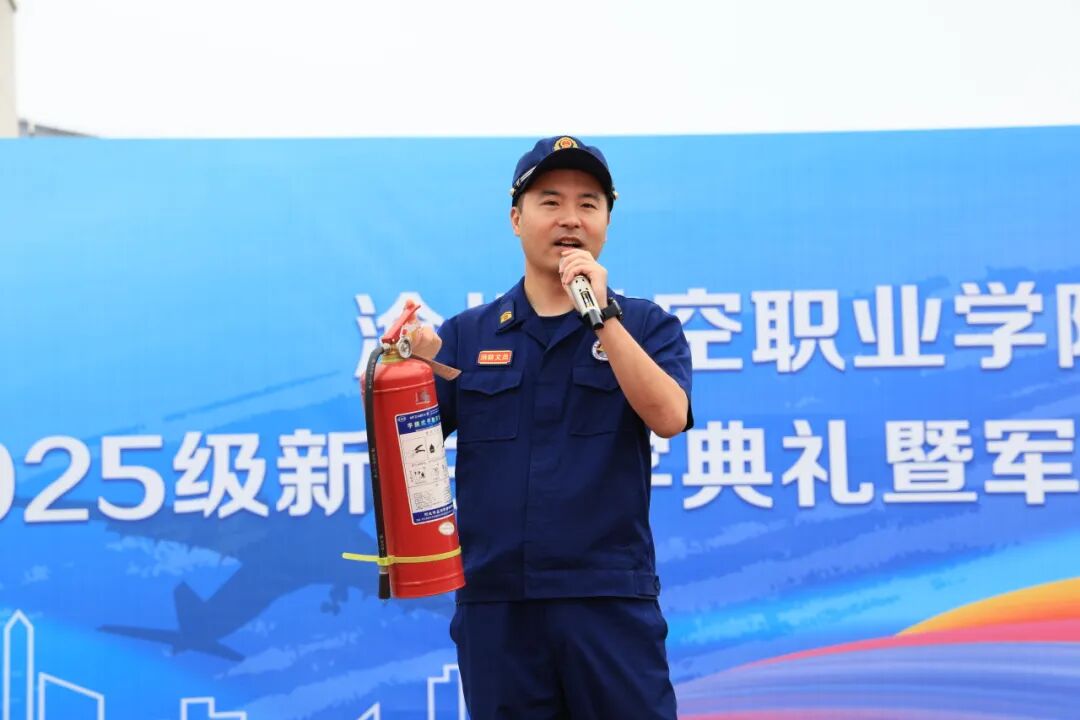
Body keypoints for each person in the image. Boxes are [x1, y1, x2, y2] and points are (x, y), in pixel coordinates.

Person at [413, 135, 693, 719]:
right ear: (516, 219)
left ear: (607, 223)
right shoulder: (467, 336)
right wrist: (404, 374)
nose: (571, 218)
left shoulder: (646, 325)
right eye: (550, 202)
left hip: (608, 600)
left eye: (589, 204)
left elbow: (669, 416)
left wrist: (602, 317)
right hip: (499, 607)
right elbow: (406, 454)